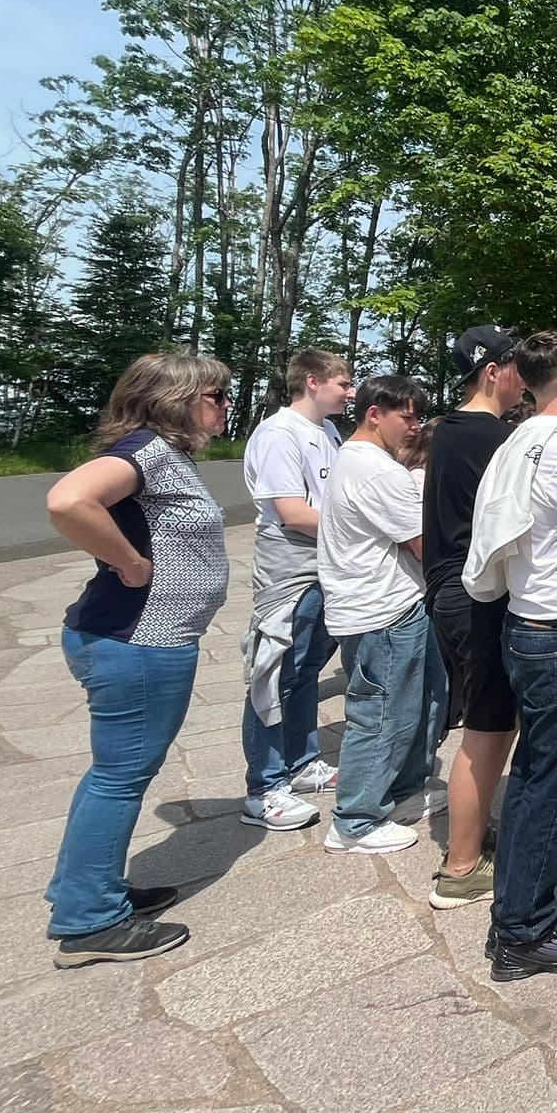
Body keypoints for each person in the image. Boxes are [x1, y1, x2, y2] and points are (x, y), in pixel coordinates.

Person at [43, 352, 233, 966]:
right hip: (140, 643)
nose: (225, 406)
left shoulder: (160, 455)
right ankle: (89, 920)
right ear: (174, 400)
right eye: (215, 396)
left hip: (136, 641)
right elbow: (69, 500)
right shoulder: (145, 450)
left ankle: (84, 889)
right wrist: (128, 562)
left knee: (112, 774)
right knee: (120, 778)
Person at [458, 331, 557, 979]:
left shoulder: (519, 441)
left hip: (530, 621)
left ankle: (527, 911)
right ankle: (522, 928)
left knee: (536, 775)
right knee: (555, 780)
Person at [423, 326, 525, 908]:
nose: (524, 376)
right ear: (493, 371)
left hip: (452, 590)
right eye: (516, 365)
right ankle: (462, 866)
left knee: (488, 725)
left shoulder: (451, 432)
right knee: (488, 730)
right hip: (475, 595)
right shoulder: (488, 436)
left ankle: (470, 835)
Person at [319, 375, 437, 855]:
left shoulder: (358, 461)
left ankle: (403, 792)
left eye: (418, 416)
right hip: (382, 610)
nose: (415, 426)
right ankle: (355, 819)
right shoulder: (376, 471)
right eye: (406, 416)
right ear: (374, 414)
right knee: (382, 713)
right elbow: (423, 544)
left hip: (386, 604)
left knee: (415, 706)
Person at [238, 349, 353, 834]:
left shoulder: (325, 431)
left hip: (323, 559)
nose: (349, 392)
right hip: (292, 562)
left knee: (305, 668)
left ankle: (302, 762)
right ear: (312, 381)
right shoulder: (279, 433)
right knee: (276, 669)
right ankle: (263, 787)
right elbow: (292, 511)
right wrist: (355, 534)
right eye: (342, 383)